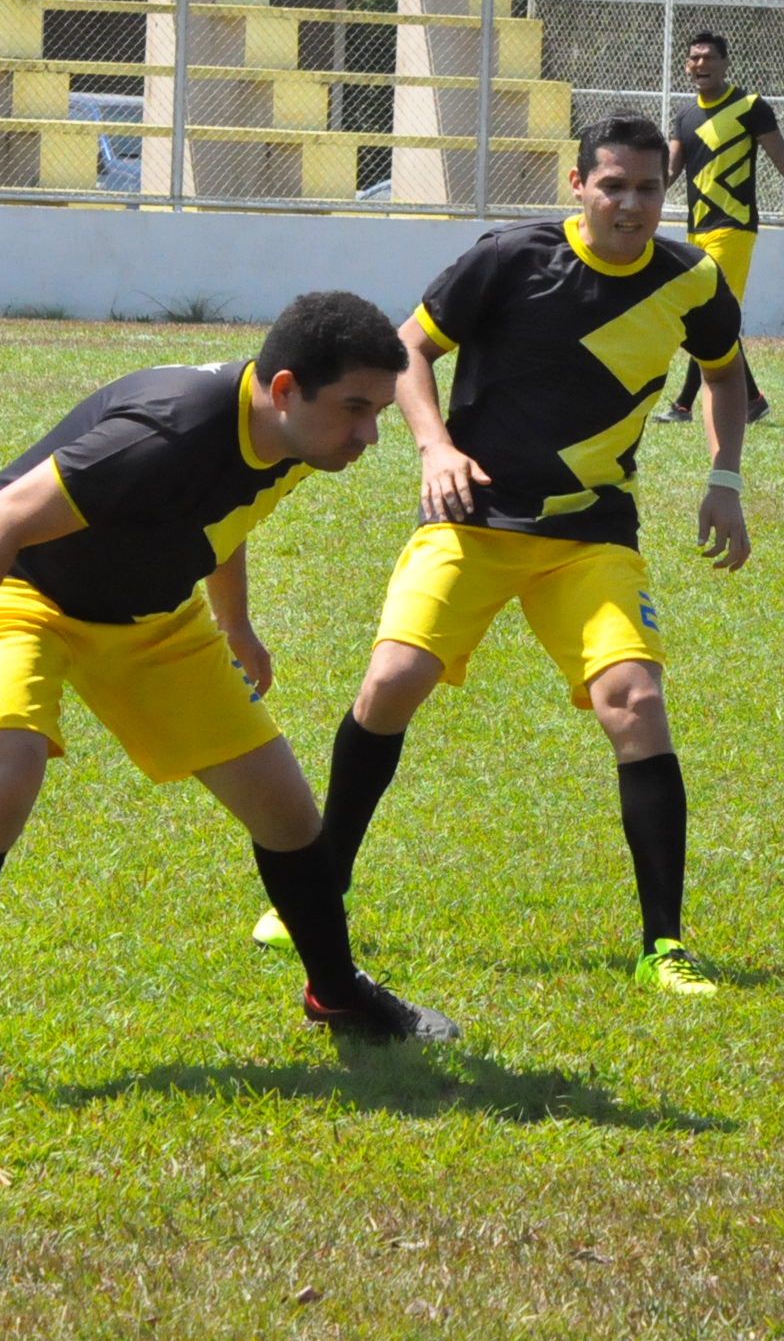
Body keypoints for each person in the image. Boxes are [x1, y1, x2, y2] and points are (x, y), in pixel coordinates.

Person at [0, 292, 459, 1091]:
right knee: (2, 782)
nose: (369, 434)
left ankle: (337, 994)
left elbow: (221, 512)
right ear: (285, 389)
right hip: (26, 596)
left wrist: (236, 623)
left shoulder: (290, 436)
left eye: (378, 410)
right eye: (355, 409)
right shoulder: (165, 433)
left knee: (286, 812)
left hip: (152, 617)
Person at [283, 111, 751, 997]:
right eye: (612, 185)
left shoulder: (694, 280)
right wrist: (436, 448)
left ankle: (664, 944)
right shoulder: (511, 257)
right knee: (389, 685)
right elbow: (409, 351)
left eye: (649, 188)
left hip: (590, 536)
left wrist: (723, 478)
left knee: (637, 704)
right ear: (578, 186)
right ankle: (318, 889)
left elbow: (724, 373)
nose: (631, 204)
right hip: (474, 521)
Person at [648, 30, 784, 426]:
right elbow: (671, 170)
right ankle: (752, 399)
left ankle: (684, 405)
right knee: (708, 314)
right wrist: (642, 209)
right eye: (694, 58)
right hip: (697, 229)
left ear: (725, 63)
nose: (700, 64)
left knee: (707, 312)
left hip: (733, 227)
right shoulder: (684, 116)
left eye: (709, 57)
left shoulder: (750, 106)